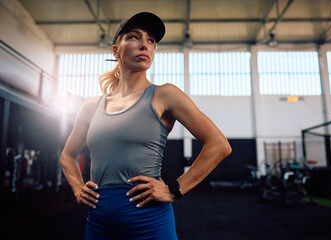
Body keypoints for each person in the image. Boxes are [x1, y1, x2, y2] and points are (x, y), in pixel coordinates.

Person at [59, 12, 232, 240]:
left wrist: (174, 189)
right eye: (134, 37)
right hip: (99, 220)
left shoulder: (165, 95)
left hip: (148, 220)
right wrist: (78, 188)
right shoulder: (92, 106)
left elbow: (219, 145)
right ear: (116, 50)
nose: (145, 45)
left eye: (151, 40)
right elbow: (67, 156)